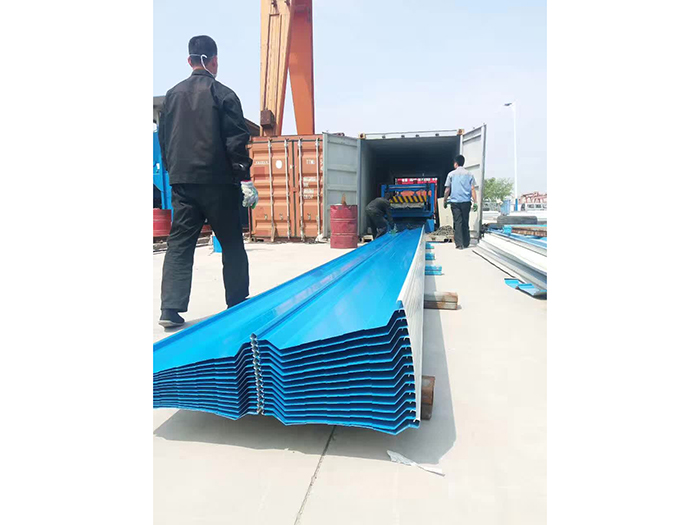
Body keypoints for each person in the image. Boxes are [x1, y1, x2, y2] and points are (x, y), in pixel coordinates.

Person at [157, 35, 258, 327]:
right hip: (218, 182)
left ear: (189, 61)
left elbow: (165, 139)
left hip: (183, 183)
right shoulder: (224, 94)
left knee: (180, 244)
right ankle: (237, 302)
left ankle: (170, 309)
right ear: (214, 61)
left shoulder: (171, 96)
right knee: (231, 243)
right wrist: (244, 178)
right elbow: (236, 140)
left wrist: (174, 172)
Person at [444, 155, 477, 249]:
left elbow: (447, 189)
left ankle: (459, 244)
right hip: (466, 202)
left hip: (455, 202)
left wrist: (445, 200)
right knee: (465, 222)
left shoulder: (451, 174)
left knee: (457, 222)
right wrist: (475, 202)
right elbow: (472, 189)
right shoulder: (469, 174)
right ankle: (466, 243)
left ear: (456, 163)